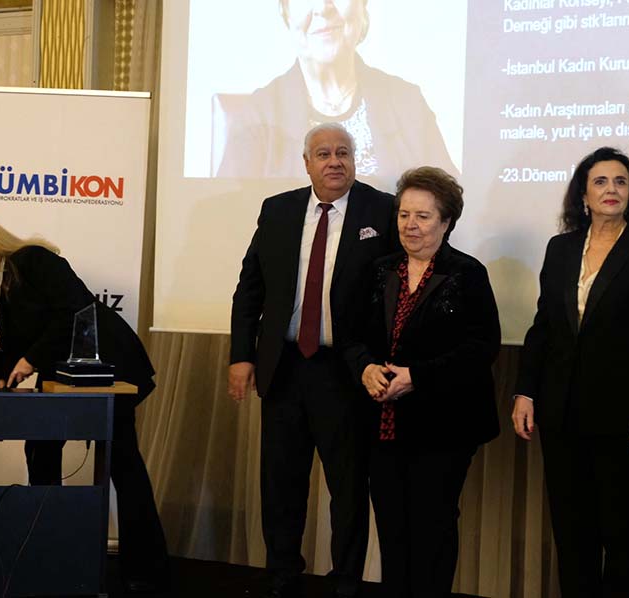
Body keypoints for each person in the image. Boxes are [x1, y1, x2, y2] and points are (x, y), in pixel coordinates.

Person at [0, 213, 170, 594]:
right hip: (62, 378)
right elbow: (15, 347)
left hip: (110, 371)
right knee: (41, 449)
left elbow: (76, 311)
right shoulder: (5, 288)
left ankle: (147, 570)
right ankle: (45, 546)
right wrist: (5, 374)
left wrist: (30, 360)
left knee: (123, 463)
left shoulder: (34, 260)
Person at [228, 123, 397, 597]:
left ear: (355, 159)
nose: (334, 161)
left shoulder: (382, 210)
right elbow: (250, 289)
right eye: (323, 154)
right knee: (281, 482)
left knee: (348, 486)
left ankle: (346, 581)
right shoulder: (278, 210)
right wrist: (241, 356)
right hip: (283, 366)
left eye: (343, 152)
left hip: (348, 369)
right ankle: (282, 574)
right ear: (306, 163)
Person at [511, 147, 629, 598]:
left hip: (625, 421)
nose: (611, 189)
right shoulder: (560, 248)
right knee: (572, 537)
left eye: (621, 181)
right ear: (583, 195)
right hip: (561, 414)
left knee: (623, 539)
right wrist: (525, 391)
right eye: (600, 181)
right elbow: (544, 326)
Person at [343, 166, 501, 597]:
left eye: (423, 216)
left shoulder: (468, 273)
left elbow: (482, 347)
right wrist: (365, 367)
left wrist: (417, 376)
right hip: (384, 423)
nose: (410, 224)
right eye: (404, 214)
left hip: (444, 424)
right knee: (392, 527)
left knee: (433, 527)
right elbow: (351, 336)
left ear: (447, 221)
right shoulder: (379, 269)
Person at [212, 0, 456, 180]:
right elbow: (227, 214)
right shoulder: (257, 114)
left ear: (362, 6)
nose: (323, 7)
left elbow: (448, 201)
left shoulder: (407, 103)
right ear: (285, 12)